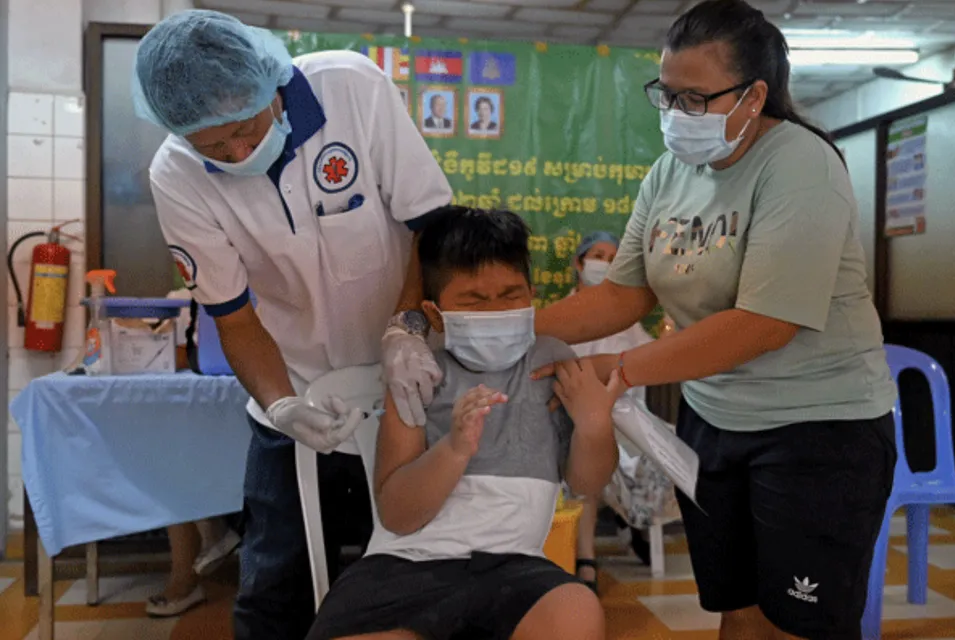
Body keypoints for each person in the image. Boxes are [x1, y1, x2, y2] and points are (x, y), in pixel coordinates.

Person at [533, 1, 898, 638]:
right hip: (713, 424)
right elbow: (623, 295)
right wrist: (513, 330)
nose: (677, 114)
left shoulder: (800, 164)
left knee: (798, 625)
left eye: (695, 98)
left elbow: (764, 324)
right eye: (667, 95)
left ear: (754, 96)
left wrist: (614, 368)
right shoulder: (669, 171)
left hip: (815, 432)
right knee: (737, 609)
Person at [134, 10, 453, 639]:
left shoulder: (351, 89)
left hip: (408, 386)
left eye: (247, 131)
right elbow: (233, 313)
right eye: (213, 148)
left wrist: (408, 326)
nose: (238, 154)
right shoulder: (175, 174)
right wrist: (281, 405)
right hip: (299, 390)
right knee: (274, 588)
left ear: (268, 85)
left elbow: (429, 227)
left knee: (413, 575)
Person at [305, 207, 617, 640]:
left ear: (532, 294)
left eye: (511, 295)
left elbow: (585, 481)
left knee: (577, 611)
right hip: (405, 567)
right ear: (435, 315)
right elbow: (397, 514)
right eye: (473, 301)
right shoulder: (417, 374)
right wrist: (453, 451)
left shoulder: (552, 362)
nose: (496, 311)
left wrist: (594, 424)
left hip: (515, 568)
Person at [564, 230, 662, 592]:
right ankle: (586, 559)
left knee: (653, 461)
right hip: (575, 422)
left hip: (625, 424)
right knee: (582, 454)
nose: (602, 265)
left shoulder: (625, 318)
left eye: (611, 258)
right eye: (597, 256)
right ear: (578, 262)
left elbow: (646, 361)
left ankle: (633, 525)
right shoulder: (561, 316)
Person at [145, 287, 242, 617]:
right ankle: (195, 559)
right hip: (212, 404)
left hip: (269, 400)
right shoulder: (183, 298)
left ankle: (213, 533)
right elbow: (177, 353)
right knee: (174, 447)